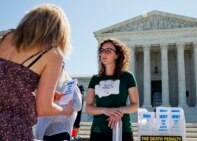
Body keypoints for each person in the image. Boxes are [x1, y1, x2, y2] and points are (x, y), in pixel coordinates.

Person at [0, 4, 73, 140]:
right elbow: (43, 108)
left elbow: (7, 81)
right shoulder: (52, 53)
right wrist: (65, 110)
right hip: (12, 129)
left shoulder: (6, 37)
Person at [85, 38, 139, 141]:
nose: (104, 53)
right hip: (99, 130)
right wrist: (105, 110)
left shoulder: (127, 77)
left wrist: (118, 112)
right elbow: (88, 107)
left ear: (117, 55)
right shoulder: (95, 79)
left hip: (123, 130)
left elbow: (135, 105)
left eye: (108, 50)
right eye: (102, 50)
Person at [35, 68, 82, 141]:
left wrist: (63, 108)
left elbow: (78, 105)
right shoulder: (43, 84)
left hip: (61, 129)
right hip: (44, 130)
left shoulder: (70, 84)